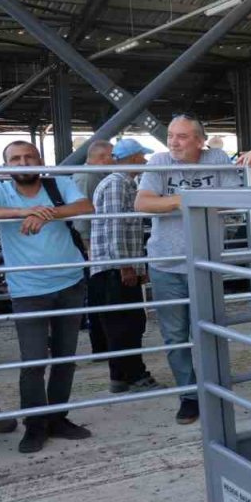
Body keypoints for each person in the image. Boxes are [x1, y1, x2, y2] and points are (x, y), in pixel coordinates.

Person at [0, 141, 95, 453]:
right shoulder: (0, 192)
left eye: (29, 156)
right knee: (33, 362)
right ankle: (35, 425)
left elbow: (86, 207)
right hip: (27, 290)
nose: (23, 162)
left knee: (64, 358)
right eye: (15, 158)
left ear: (39, 160)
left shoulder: (58, 184)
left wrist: (46, 214)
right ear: (6, 166)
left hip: (69, 283)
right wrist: (21, 211)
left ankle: (57, 418)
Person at [136, 115, 243, 425]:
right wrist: (184, 200)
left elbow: (234, 196)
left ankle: (214, 388)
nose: (173, 142)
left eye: (182, 137)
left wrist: (176, 201)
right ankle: (189, 396)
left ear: (199, 140)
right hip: (166, 263)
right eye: (171, 136)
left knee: (209, 329)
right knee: (175, 336)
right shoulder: (158, 161)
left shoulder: (217, 157)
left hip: (206, 260)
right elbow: (142, 203)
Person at [89, 138, 160, 394]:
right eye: (141, 156)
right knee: (125, 324)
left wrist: (135, 267)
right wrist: (126, 266)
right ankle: (134, 374)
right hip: (114, 267)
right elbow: (115, 226)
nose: (144, 160)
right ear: (132, 157)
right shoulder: (118, 184)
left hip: (114, 266)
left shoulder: (122, 183)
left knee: (125, 322)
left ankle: (120, 376)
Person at [73, 140, 113, 359]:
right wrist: (88, 246)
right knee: (97, 291)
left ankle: (102, 342)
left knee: (99, 291)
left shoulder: (91, 175)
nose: (115, 160)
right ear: (103, 157)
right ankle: (100, 344)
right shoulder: (88, 177)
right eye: (112, 156)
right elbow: (83, 216)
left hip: (90, 241)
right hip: (88, 243)